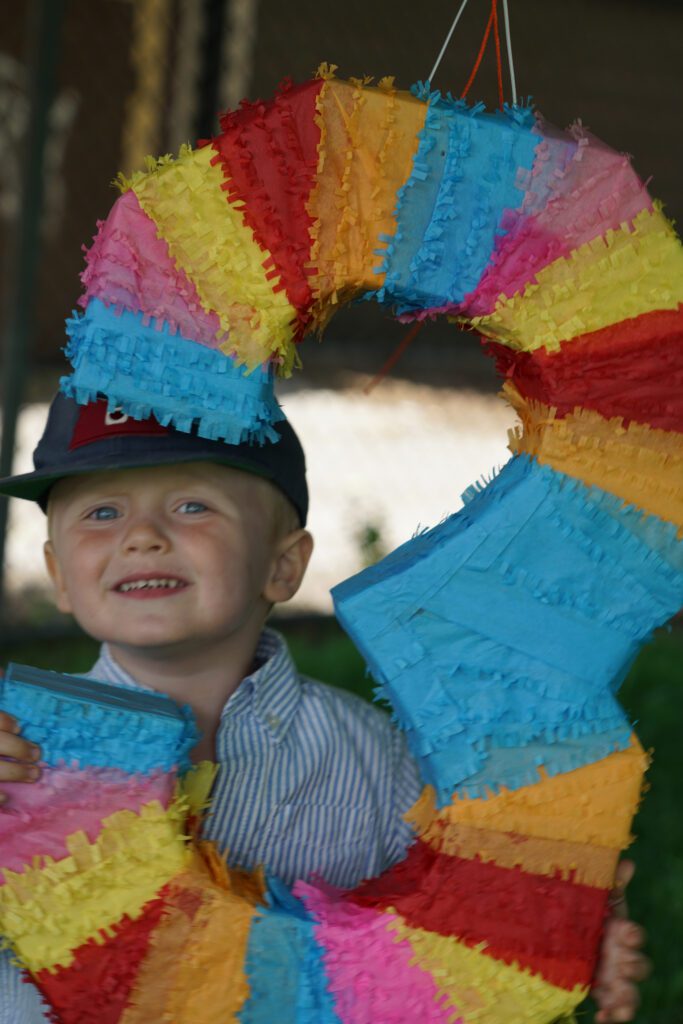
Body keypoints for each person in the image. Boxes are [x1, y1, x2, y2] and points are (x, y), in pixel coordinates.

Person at [0, 393, 649, 1023]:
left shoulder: (382, 765)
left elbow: (456, 927)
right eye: (101, 513)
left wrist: (562, 935)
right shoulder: (14, 753)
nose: (141, 536)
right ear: (58, 574)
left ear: (282, 567)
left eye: (192, 505)